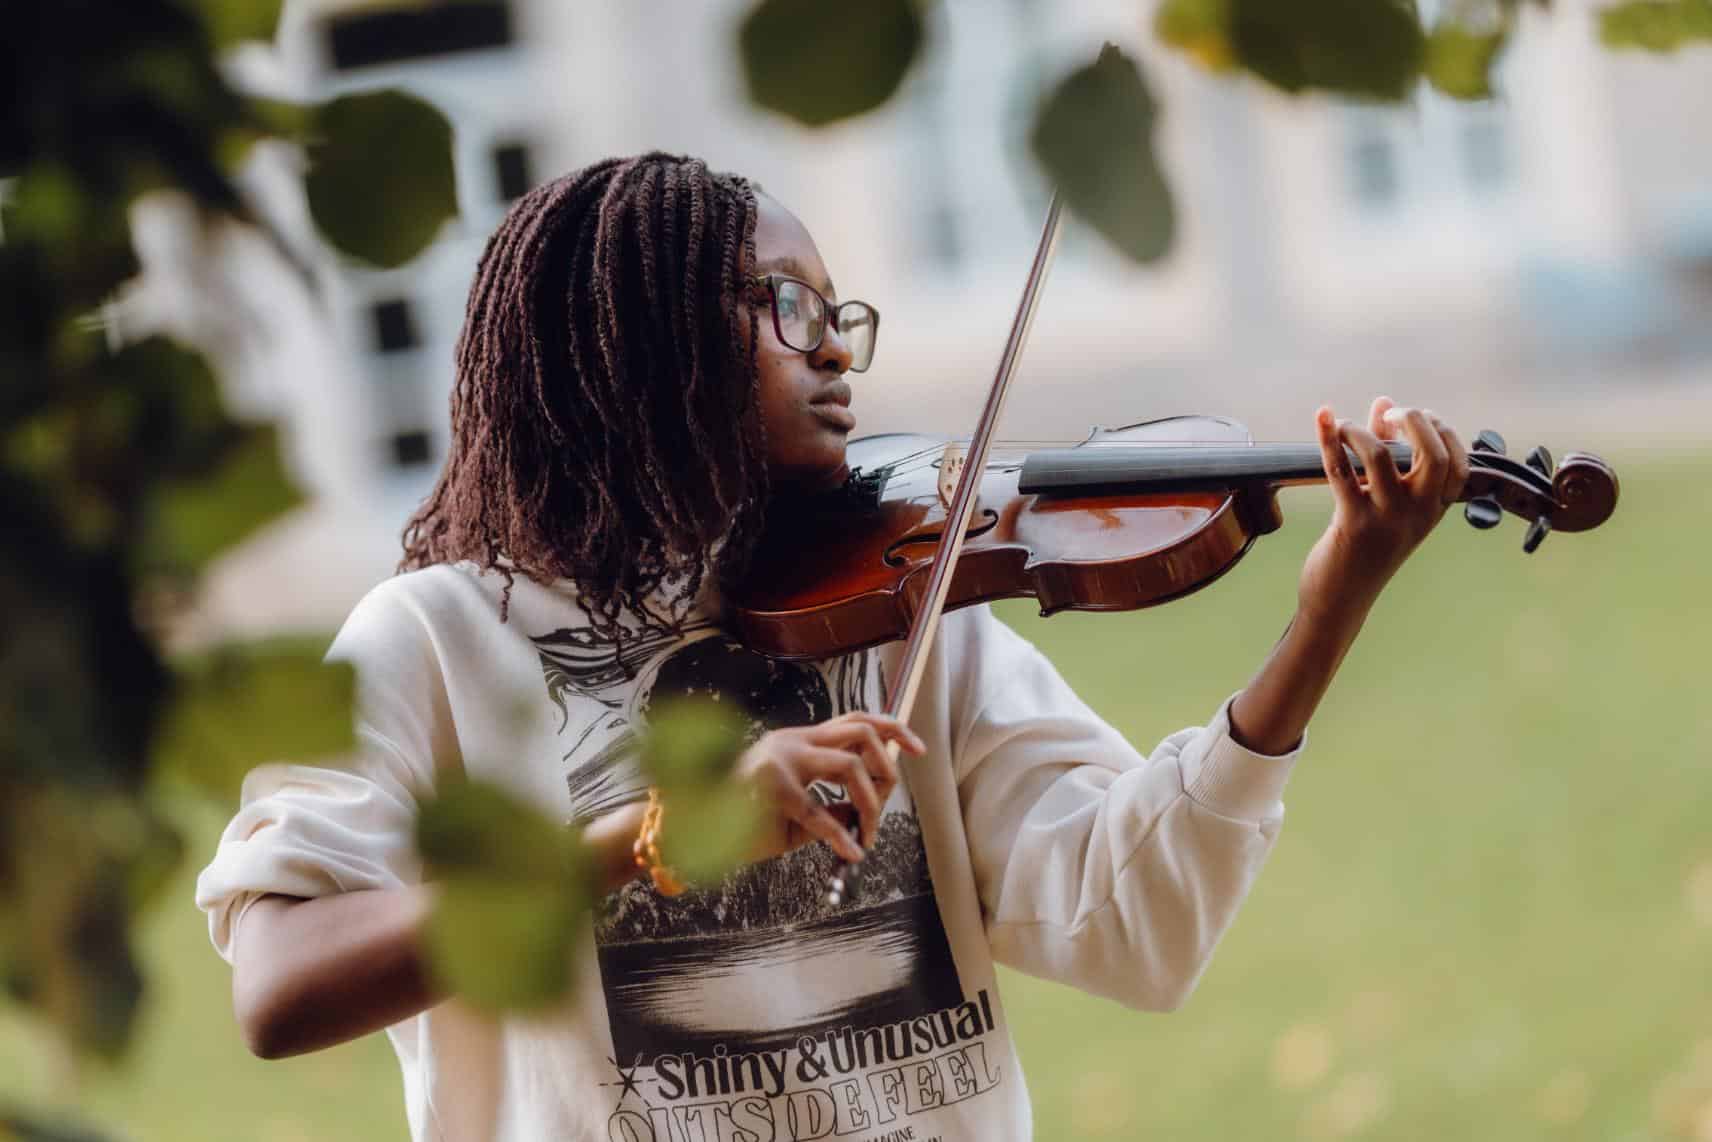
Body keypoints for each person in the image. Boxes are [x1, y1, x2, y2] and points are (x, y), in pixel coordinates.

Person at [196, 152, 1470, 1142]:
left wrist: (1329, 608)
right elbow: (281, 985)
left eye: (834, 312)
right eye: (786, 307)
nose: (832, 351)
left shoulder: (899, 601)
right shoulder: (429, 642)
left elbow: (1131, 919)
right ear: (639, 337)